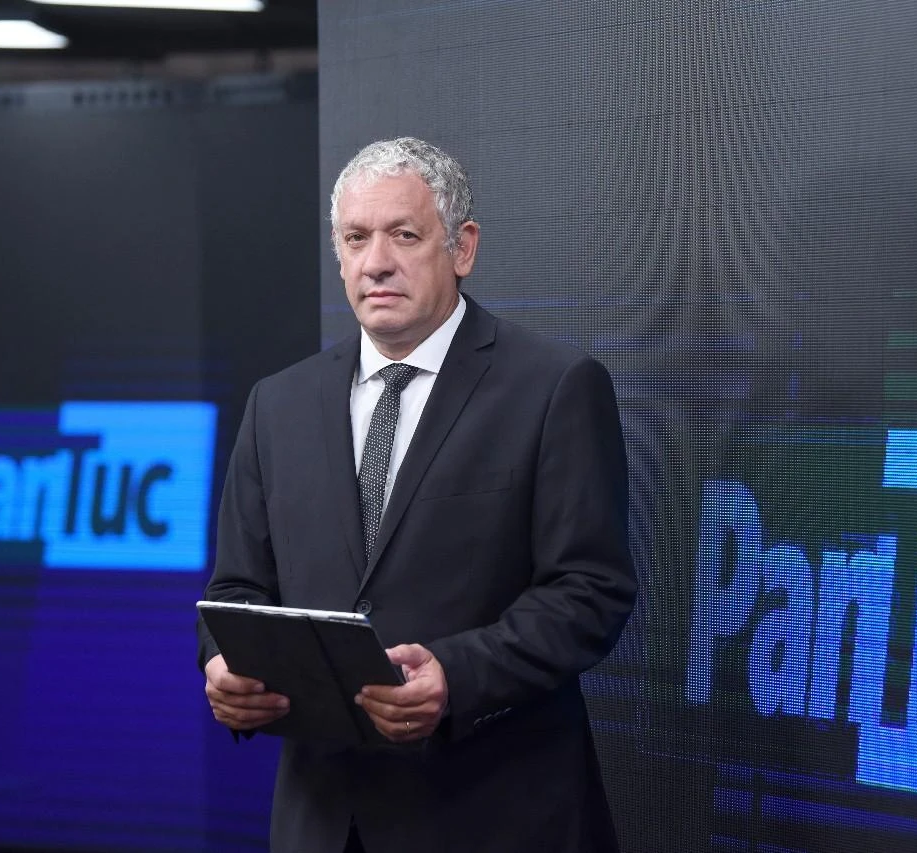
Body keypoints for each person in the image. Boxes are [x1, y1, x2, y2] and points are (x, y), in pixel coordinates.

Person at [199, 137, 636, 853]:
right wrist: (223, 662)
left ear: (462, 248)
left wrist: (456, 677)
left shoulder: (554, 387)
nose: (376, 261)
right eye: (356, 238)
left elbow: (591, 590)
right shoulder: (276, 404)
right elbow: (237, 589)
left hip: (497, 818)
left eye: (403, 235)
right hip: (323, 821)